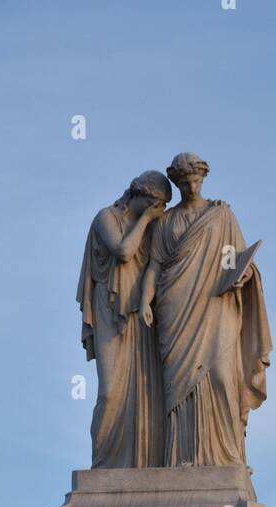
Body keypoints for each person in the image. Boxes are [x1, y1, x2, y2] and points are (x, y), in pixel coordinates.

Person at [139, 152, 272, 469]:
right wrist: (145, 300)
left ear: (204, 179)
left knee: (221, 376)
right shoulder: (166, 222)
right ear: (176, 183)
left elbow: (234, 259)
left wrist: (241, 274)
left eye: (196, 181)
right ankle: (180, 458)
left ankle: (226, 457)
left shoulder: (221, 216)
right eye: (184, 183)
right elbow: (155, 266)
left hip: (217, 304)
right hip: (175, 308)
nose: (191, 187)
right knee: (178, 388)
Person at [77, 170, 172, 468]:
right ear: (138, 194)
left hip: (142, 318)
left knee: (145, 394)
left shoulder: (153, 229)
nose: (160, 212)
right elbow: (122, 251)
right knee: (111, 391)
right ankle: (104, 465)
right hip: (110, 311)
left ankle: (142, 464)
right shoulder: (106, 217)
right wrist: (144, 220)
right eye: (156, 203)